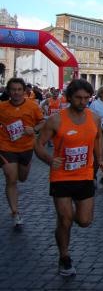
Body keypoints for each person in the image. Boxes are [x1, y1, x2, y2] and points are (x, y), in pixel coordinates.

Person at [34, 79, 103, 276]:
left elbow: (98, 137)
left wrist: (100, 158)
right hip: (61, 176)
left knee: (84, 221)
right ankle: (64, 257)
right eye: (78, 98)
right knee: (65, 219)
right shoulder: (56, 120)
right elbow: (38, 144)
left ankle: (63, 225)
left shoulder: (94, 118)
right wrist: (49, 159)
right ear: (69, 98)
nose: (82, 101)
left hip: (84, 175)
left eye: (86, 98)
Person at [0, 78, 45, 228]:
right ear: (8, 91)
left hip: (26, 147)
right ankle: (15, 212)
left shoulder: (32, 106)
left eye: (19, 89)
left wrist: (35, 129)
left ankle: (23, 168)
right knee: (11, 178)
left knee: (22, 178)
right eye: (13, 89)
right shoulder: (2, 107)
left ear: (24, 91)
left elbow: (42, 122)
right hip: (6, 148)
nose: (16, 92)